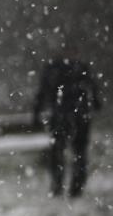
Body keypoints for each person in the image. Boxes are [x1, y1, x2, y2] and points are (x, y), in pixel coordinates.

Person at [33, 42, 103, 197]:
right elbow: (92, 88)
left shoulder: (56, 69)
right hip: (74, 115)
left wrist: (37, 112)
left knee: (63, 151)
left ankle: (63, 185)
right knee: (73, 152)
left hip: (65, 115)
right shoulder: (78, 68)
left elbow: (43, 92)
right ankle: (71, 186)